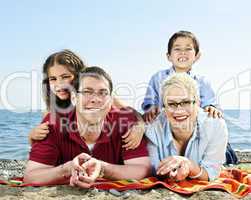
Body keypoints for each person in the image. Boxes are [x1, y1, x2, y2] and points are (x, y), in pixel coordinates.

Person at [24, 66, 151, 188]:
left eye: (103, 93)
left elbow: (142, 169)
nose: (95, 99)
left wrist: (102, 168)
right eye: (87, 92)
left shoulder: (127, 123)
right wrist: (67, 169)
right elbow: (31, 176)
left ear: (111, 100)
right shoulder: (53, 124)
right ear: (74, 97)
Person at [28, 50, 144, 150]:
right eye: (53, 79)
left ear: (79, 76)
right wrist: (32, 136)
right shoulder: (51, 112)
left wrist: (139, 127)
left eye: (65, 77)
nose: (59, 84)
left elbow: (134, 114)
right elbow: (40, 145)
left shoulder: (104, 99)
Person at [145, 73, 228, 181]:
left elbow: (211, 174)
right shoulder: (152, 129)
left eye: (186, 102)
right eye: (171, 104)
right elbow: (155, 171)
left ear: (197, 102)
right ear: (164, 107)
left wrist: (189, 166)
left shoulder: (215, 125)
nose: (179, 110)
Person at [142, 30, 221, 123]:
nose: (183, 52)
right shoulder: (158, 77)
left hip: (190, 128)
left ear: (197, 56)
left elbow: (210, 103)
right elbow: (149, 101)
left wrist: (211, 108)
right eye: (177, 49)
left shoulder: (203, 82)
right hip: (163, 126)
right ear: (169, 56)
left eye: (188, 49)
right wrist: (151, 107)